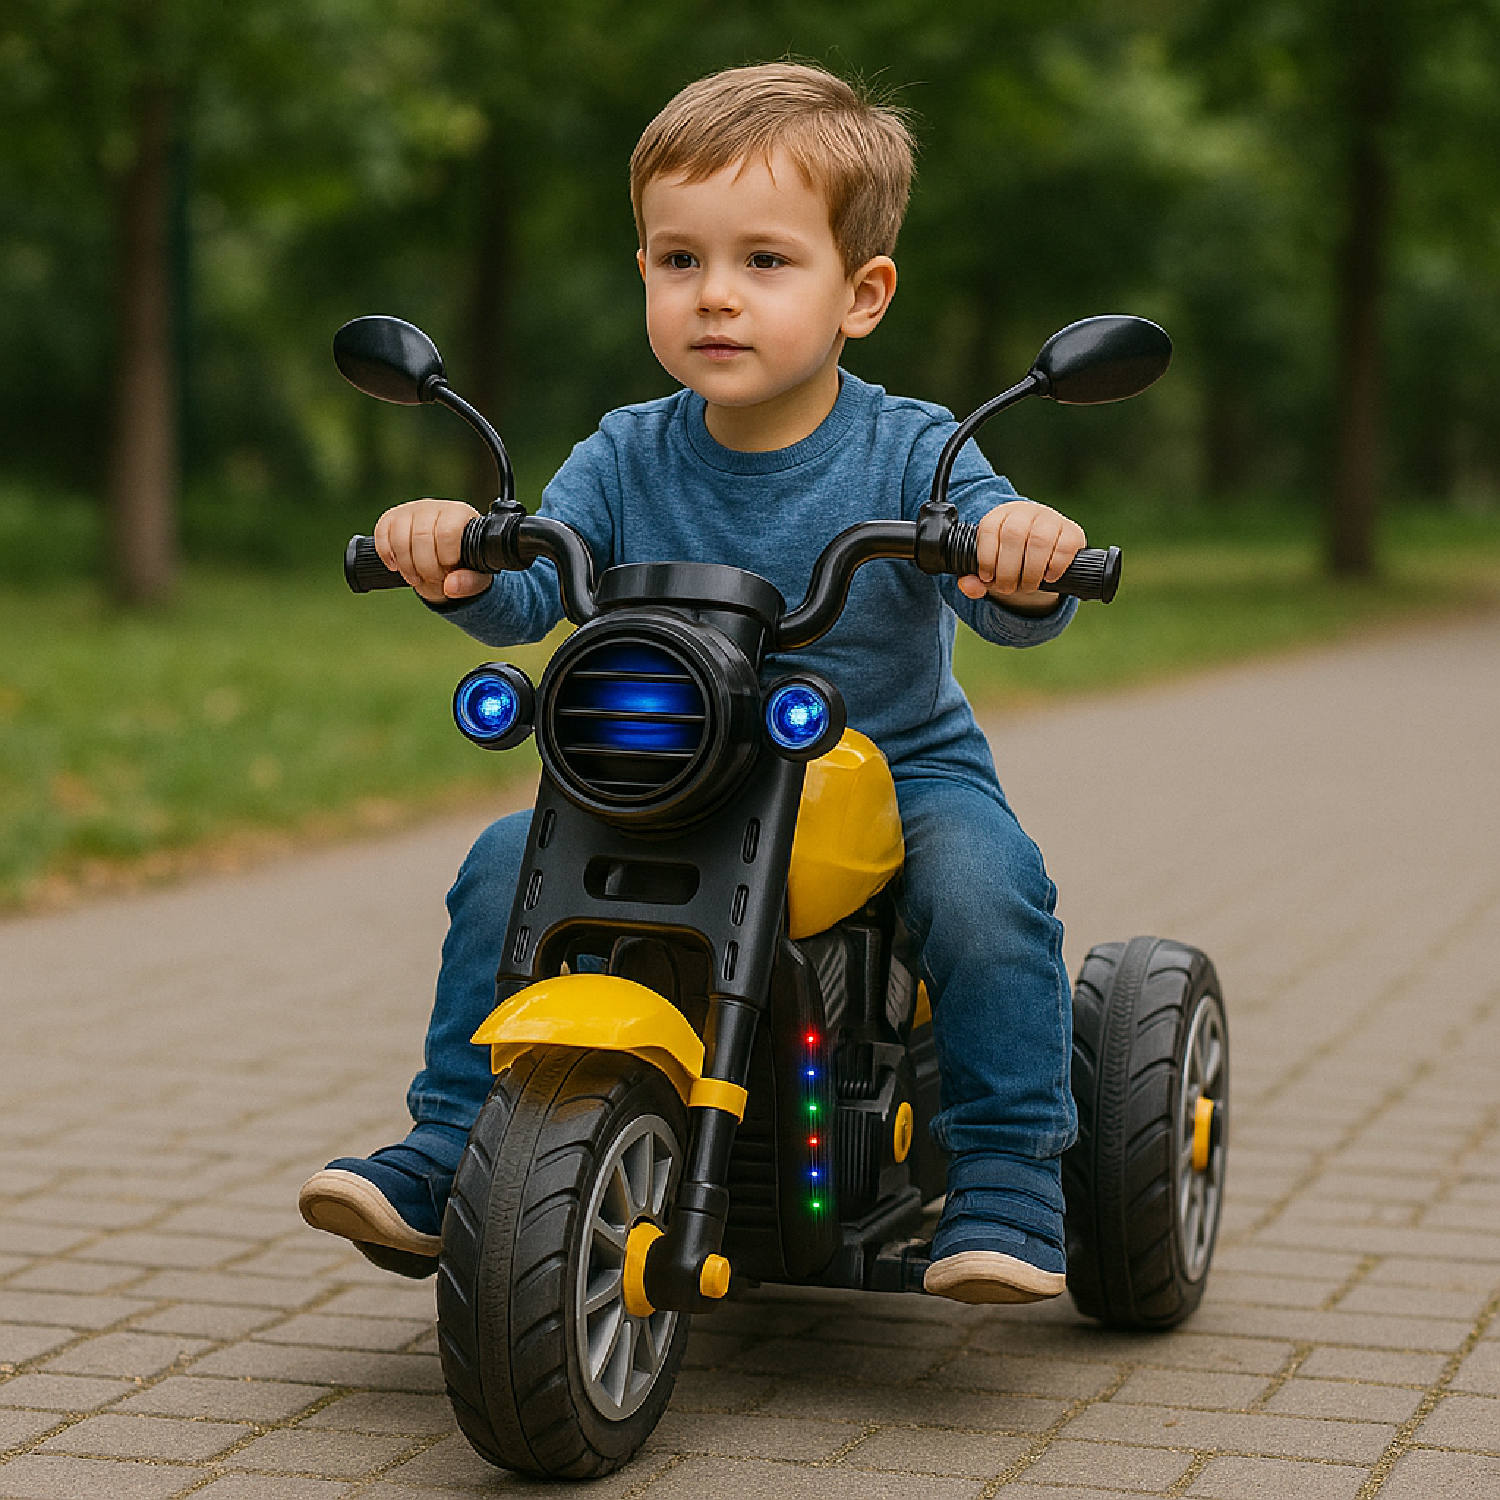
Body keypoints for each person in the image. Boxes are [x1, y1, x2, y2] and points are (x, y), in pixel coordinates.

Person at [299, 61, 1085, 1305]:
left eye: (765, 261)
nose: (715, 294)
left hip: (889, 769)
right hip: (666, 771)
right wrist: (456, 554)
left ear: (862, 294)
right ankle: (451, 1140)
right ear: (646, 273)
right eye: (679, 260)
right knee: (503, 866)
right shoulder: (624, 451)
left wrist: (1023, 556)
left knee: (987, 891)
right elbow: (534, 592)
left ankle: (1008, 1176)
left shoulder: (919, 451)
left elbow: (1007, 602)